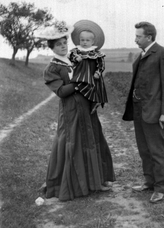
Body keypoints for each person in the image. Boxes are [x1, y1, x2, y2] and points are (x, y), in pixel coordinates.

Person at [35, 22, 115, 202]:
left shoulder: (75, 58)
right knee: (73, 142)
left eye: (64, 43)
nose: (63, 46)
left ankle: (96, 181)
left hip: (87, 107)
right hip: (70, 110)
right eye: (59, 44)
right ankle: (72, 185)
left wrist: (94, 96)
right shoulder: (52, 68)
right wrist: (80, 82)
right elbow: (62, 92)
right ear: (52, 48)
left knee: (92, 139)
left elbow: (95, 75)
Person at [122, 22, 164, 203]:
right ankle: (149, 182)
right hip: (139, 110)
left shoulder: (163, 54)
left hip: (154, 112)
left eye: (138, 36)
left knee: (157, 151)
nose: (135, 39)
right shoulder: (142, 55)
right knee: (144, 150)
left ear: (149, 37)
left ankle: (160, 188)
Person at [69, 20, 108, 114]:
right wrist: (75, 58)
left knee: (93, 87)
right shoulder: (76, 51)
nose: (84, 43)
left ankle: (94, 102)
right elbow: (70, 58)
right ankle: (80, 96)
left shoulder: (96, 53)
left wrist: (98, 71)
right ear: (79, 40)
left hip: (91, 74)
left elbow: (101, 63)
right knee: (79, 82)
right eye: (82, 40)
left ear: (93, 42)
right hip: (79, 72)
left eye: (87, 40)